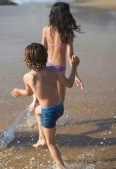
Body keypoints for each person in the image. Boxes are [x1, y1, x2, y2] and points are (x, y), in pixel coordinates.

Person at [12, 43, 78, 169]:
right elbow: (69, 83)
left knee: (51, 143)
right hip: (59, 108)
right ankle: (41, 138)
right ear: (45, 56)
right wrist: (74, 66)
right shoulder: (53, 70)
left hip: (49, 113)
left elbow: (29, 92)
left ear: (27, 60)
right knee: (37, 111)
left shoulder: (28, 77)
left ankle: (61, 166)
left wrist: (19, 91)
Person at [29, 2, 84, 148]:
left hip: (45, 67)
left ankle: (42, 131)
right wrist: (76, 75)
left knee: (45, 101)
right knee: (57, 105)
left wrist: (36, 69)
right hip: (58, 70)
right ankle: (47, 136)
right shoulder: (67, 33)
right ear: (66, 15)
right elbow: (70, 57)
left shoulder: (46, 29)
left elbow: (41, 50)